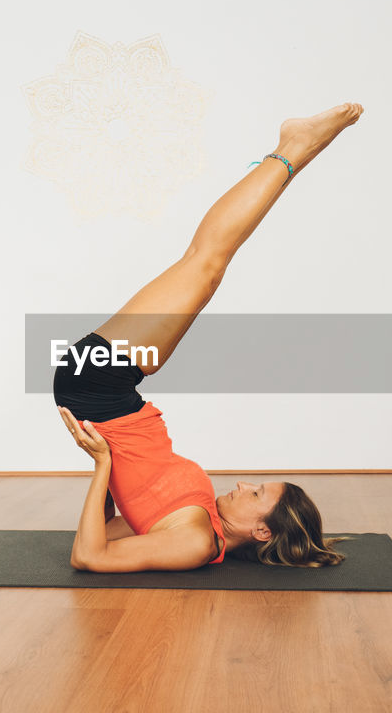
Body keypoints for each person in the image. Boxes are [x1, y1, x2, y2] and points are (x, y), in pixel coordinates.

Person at [54, 103, 363, 573]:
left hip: (96, 387)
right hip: (109, 393)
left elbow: (88, 555)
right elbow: (113, 530)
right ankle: (293, 149)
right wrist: (108, 467)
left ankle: (293, 147)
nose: (242, 485)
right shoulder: (201, 524)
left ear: (262, 530)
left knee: (206, 260)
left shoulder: (196, 542)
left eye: (256, 494)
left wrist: (101, 464)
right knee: (207, 265)